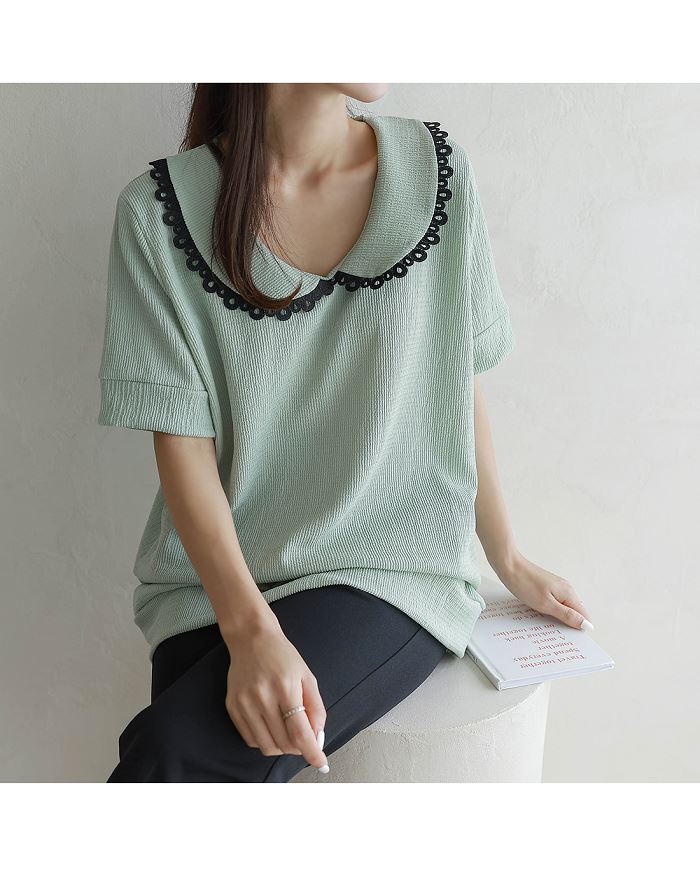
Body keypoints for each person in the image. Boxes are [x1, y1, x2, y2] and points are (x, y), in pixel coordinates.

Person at [97, 83, 594, 783]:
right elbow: (182, 446)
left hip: (390, 564)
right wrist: (250, 629)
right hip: (216, 581)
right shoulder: (158, 213)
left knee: (172, 751)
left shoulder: (435, 176)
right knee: (174, 751)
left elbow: (454, 379)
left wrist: (505, 554)